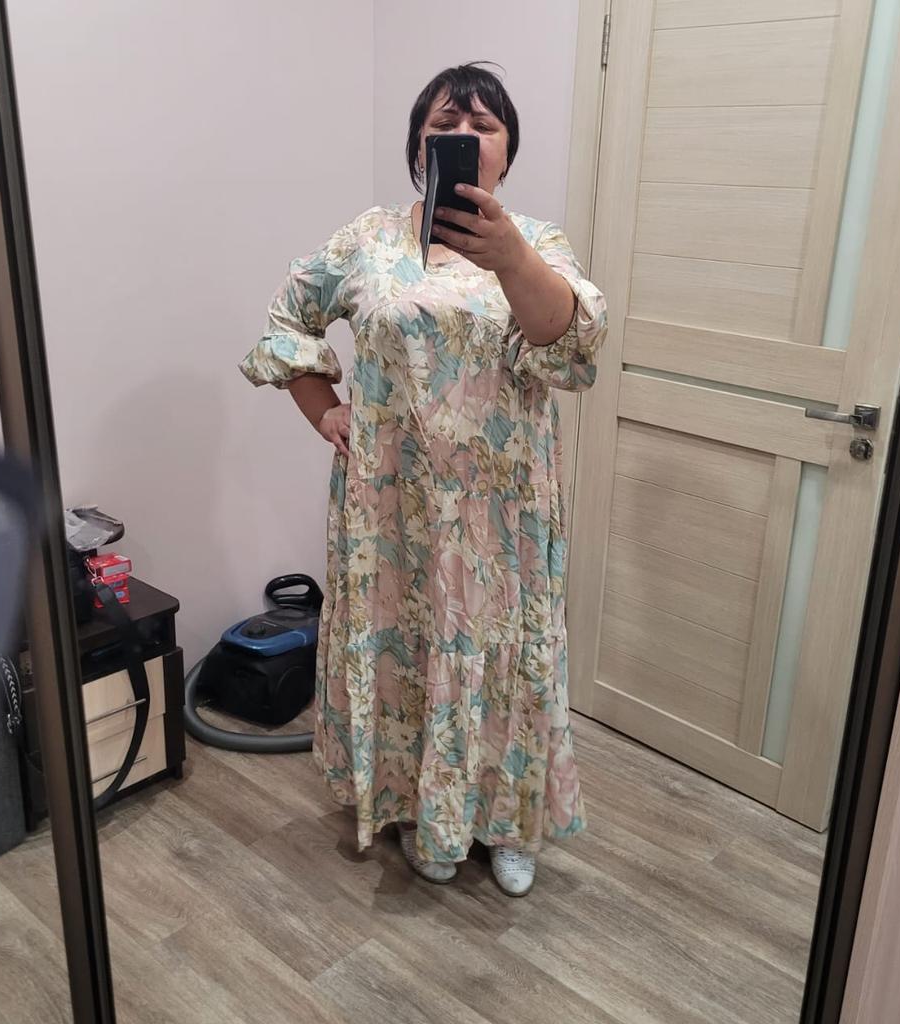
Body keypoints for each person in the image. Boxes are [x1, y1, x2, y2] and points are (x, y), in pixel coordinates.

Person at [240, 62, 607, 897]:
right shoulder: (367, 240)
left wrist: (510, 257)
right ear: (418, 147)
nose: (465, 137)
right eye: (447, 125)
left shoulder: (538, 244)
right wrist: (324, 410)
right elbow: (288, 319)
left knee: (505, 658)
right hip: (392, 507)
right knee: (407, 652)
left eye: (484, 126)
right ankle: (420, 810)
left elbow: (569, 345)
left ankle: (507, 821)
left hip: (501, 511)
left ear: (507, 151)